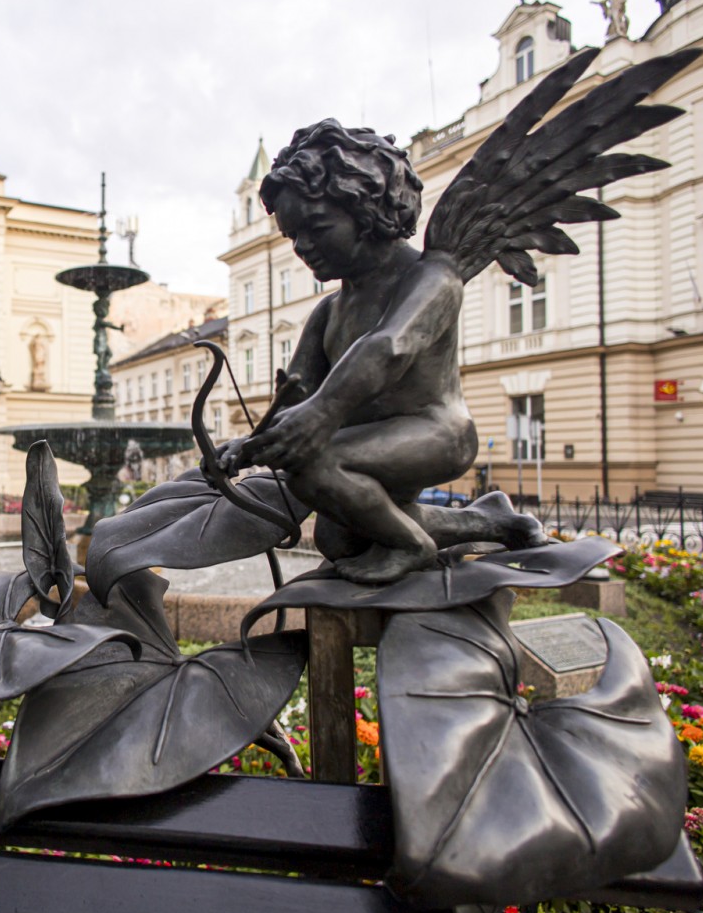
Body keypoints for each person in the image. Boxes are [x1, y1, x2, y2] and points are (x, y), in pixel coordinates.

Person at [221, 121, 539, 582]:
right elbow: (297, 393)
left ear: (366, 209)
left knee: (315, 466)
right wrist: (248, 446)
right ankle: (494, 522)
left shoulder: (433, 277)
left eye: (315, 228)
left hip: (436, 431)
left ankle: (414, 545)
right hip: (370, 436)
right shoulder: (329, 310)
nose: (303, 248)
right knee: (339, 540)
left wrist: (321, 416)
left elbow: (389, 346)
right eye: (293, 237)